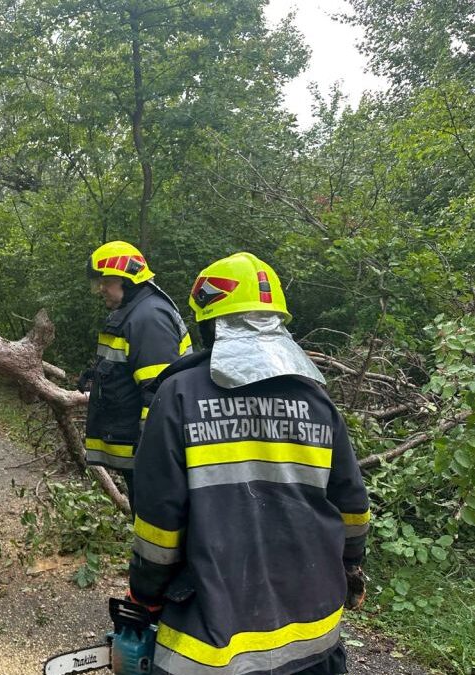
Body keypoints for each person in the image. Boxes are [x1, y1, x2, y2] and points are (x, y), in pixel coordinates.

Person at [126, 252, 370, 675]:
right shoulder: (316, 399)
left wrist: (145, 594)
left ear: (208, 323)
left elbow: (159, 524)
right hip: (314, 635)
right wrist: (350, 565)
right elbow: (352, 506)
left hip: (212, 645)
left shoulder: (179, 395)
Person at [82, 241, 192, 499]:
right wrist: (96, 377)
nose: (100, 289)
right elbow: (129, 371)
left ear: (128, 279)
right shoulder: (134, 312)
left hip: (149, 456)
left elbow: (159, 394)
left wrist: (151, 452)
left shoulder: (149, 318)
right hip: (138, 451)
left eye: (105, 281)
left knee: (150, 517)